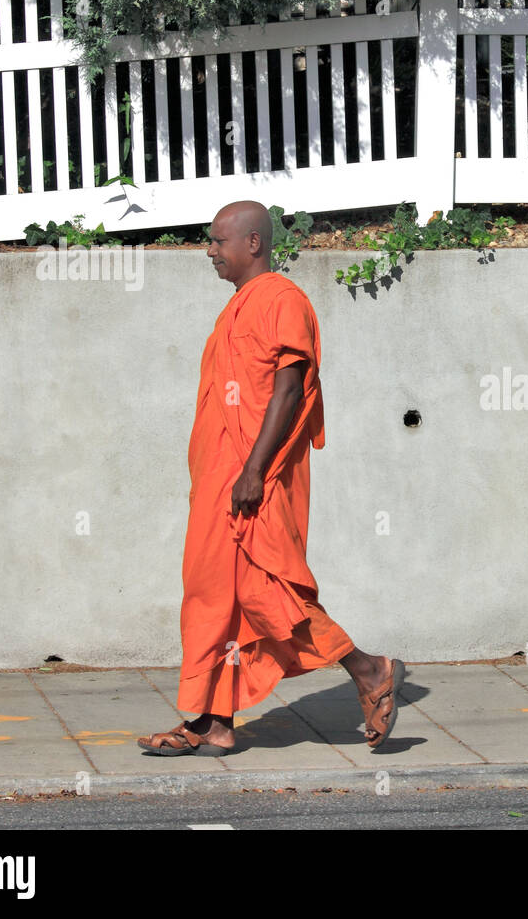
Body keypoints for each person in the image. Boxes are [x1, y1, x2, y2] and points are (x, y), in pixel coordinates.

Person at [138, 200, 402, 756]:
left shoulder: (283, 300)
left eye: (217, 241)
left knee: (267, 592)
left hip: (253, 481)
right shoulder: (237, 307)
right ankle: (212, 721)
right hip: (220, 482)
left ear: (253, 244)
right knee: (216, 598)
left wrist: (254, 470)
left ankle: (369, 668)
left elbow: (288, 390)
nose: (209, 252)